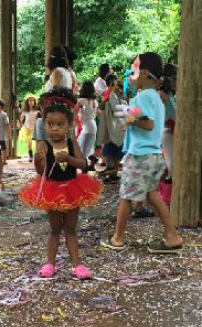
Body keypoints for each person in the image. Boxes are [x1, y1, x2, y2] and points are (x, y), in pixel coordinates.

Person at [103, 52, 183, 253]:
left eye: (133, 72)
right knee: (152, 195)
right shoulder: (156, 97)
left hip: (140, 155)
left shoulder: (143, 97)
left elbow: (147, 123)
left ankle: (118, 238)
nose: (130, 76)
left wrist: (127, 115)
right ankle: (172, 235)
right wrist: (129, 119)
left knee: (125, 196)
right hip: (153, 154)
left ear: (145, 73)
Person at [19, 89, 102, 279]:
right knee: (55, 228)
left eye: (60, 124)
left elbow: (83, 164)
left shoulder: (72, 142)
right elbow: (41, 173)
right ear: (44, 125)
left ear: (69, 125)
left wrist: (69, 159)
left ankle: (76, 265)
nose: (55, 128)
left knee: (71, 228)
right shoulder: (43, 145)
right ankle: (50, 264)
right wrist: (39, 160)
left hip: (73, 189)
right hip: (52, 190)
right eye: (50, 124)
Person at [97, 73, 124, 181]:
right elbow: (115, 108)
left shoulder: (111, 93)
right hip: (114, 126)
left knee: (111, 151)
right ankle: (112, 174)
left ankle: (112, 174)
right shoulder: (111, 94)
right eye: (115, 81)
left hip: (112, 126)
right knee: (112, 151)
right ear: (113, 82)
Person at [76, 81, 98, 163]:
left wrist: (78, 124)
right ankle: (92, 160)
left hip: (87, 127)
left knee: (82, 150)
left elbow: (74, 112)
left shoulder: (82, 100)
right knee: (87, 147)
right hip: (93, 125)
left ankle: (84, 169)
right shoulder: (95, 102)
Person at [19, 94, 38, 162]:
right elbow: (21, 118)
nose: (31, 102)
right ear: (27, 102)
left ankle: (37, 155)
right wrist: (21, 122)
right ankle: (30, 155)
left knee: (36, 142)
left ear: (35, 102)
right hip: (27, 128)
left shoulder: (37, 111)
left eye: (33, 100)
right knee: (29, 143)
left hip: (34, 128)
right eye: (30, 101)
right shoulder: (25, 111)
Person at [0, 99, 11, 165]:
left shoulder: (4, 115)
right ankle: (1, 159)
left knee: (3, 147)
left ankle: (4, 160)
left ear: (0, 106)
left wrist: (8, 133)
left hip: (2, 134)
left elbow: (7, 124)